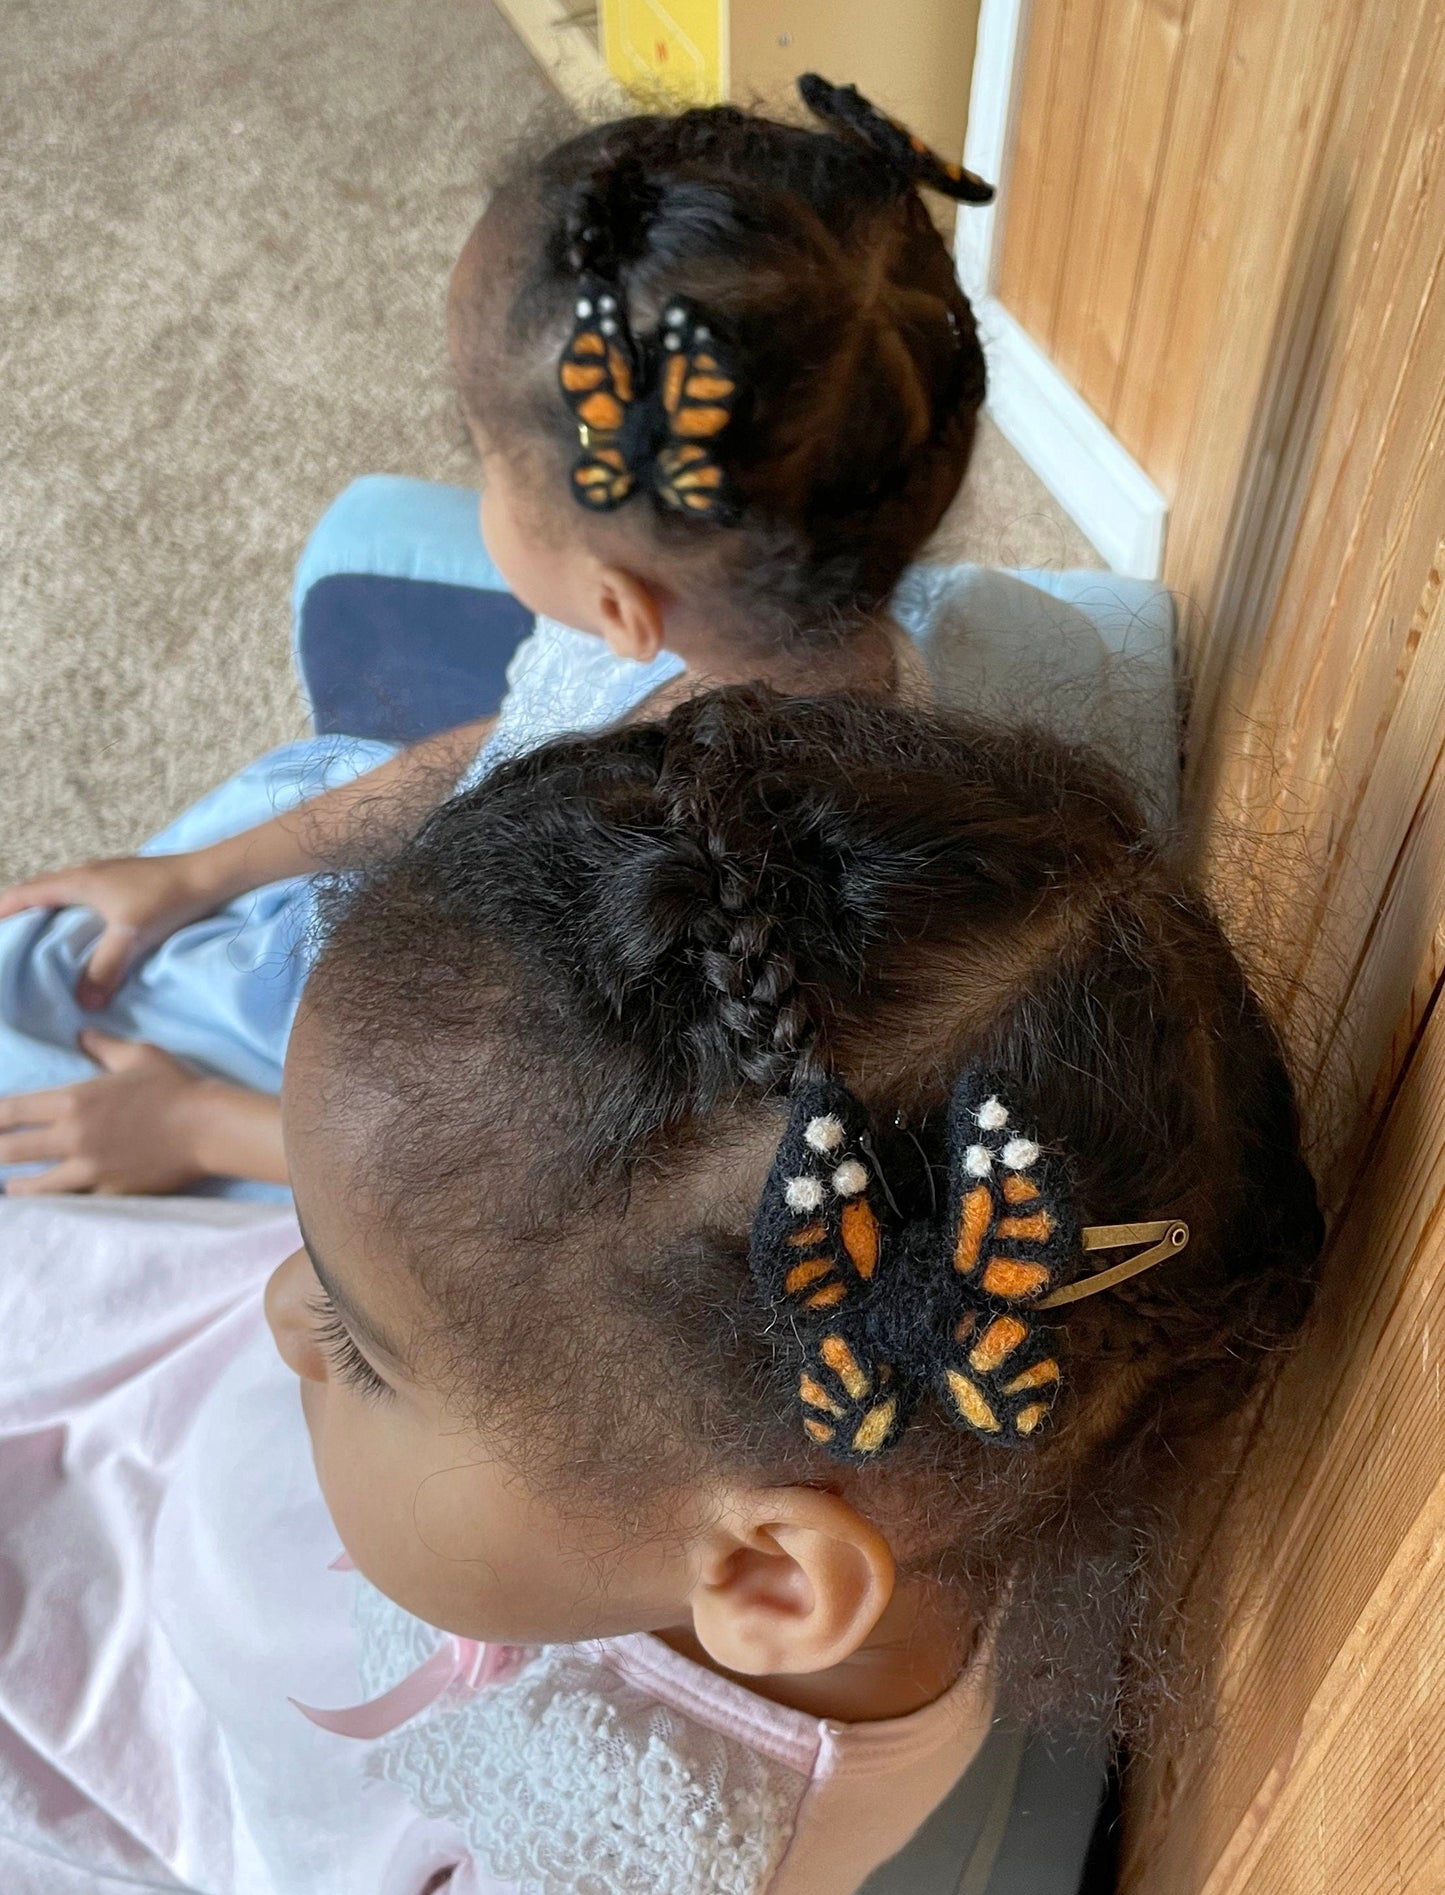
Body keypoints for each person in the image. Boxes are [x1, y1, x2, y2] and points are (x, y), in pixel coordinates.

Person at [0, 691, 1323, 1891]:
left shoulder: (639, 1843)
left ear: (766, 1573)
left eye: (363, 1342)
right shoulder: (687, 1443)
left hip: (204, 1763)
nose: (285, 1306)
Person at [0, 76, 1002, 1195]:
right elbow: (512, 741)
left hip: (375, 1128)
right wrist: (202, 871)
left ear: (621, 606)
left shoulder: (657, 914)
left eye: (481, 458)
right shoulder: (740, 647)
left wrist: (189, 1125)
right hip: (407, 907)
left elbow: (514, 1183)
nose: (472, 484)